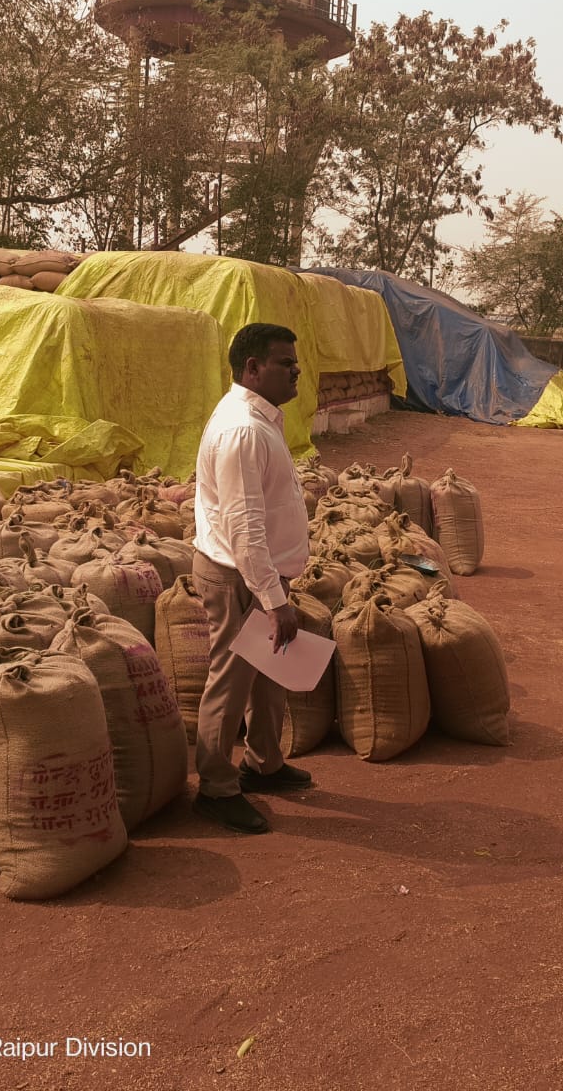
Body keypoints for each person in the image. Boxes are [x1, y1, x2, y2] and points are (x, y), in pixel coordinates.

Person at [190, 323, 315, 834]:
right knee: (232, 679)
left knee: (270, 673)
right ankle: (216, 788)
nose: (296, 370)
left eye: (295, 361)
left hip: (260, 573)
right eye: (286, 362)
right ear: (253, 368)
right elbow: (243, 525)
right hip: (238, 575)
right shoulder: (242, 429)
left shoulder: (260, 419)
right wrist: (272, 598)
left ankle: (264, 763)